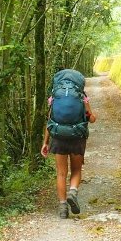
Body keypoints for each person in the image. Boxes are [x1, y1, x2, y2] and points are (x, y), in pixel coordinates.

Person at [40, 69, 97, 218]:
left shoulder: (53, 97)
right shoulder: (82, 97)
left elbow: (50, 121)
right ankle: (73, 192)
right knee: (76, 170)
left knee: (61, 173)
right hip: (77, 137)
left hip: (58, 138)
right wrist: (89, 114)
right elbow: (91, 119)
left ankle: (63, 208)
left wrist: (45, 143)